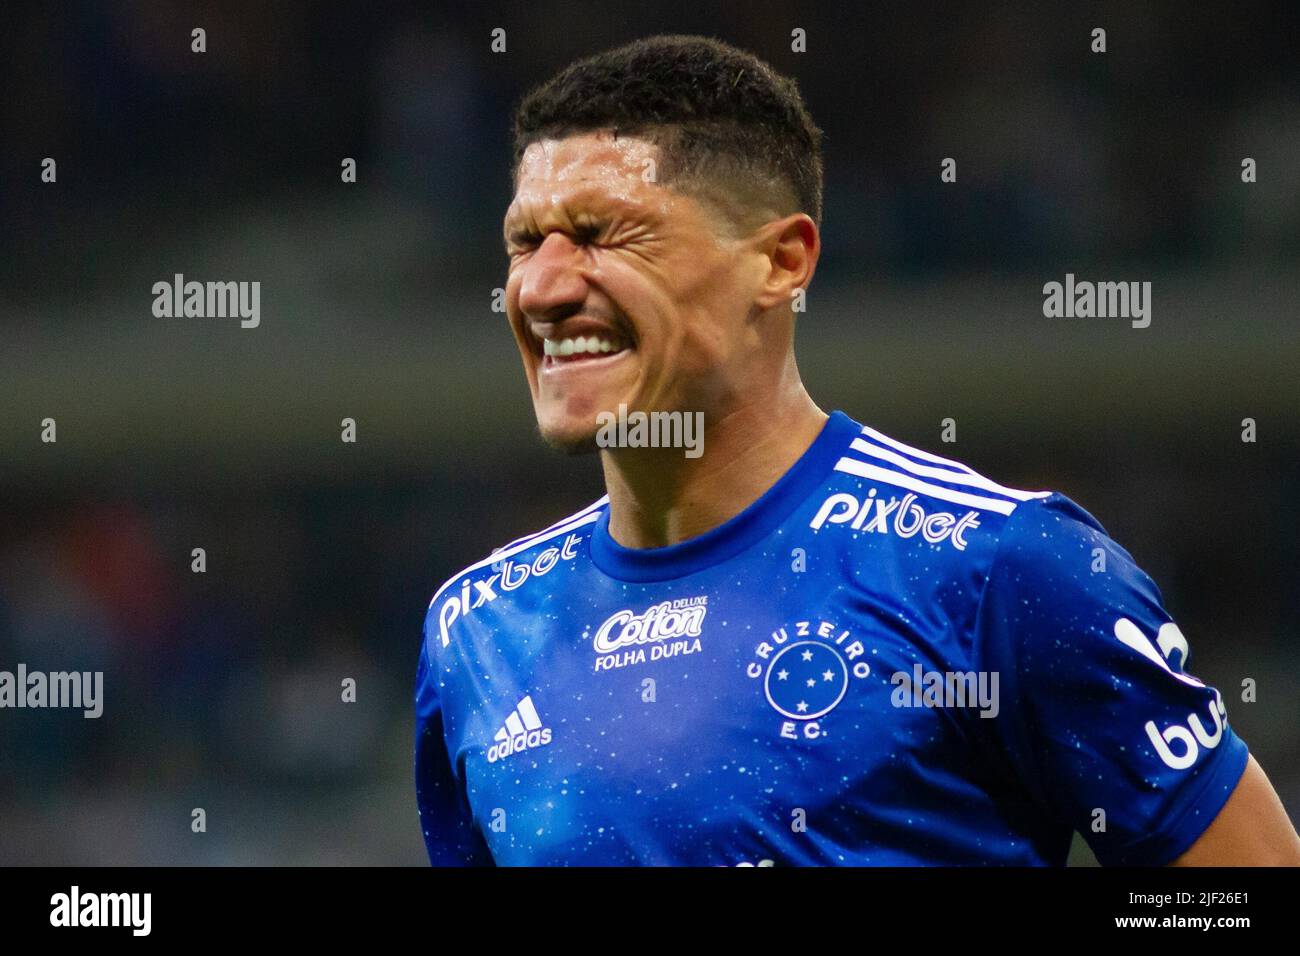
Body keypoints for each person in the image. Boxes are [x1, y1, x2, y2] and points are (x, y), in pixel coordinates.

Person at [415, 34, 1300, 865]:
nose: (542, 286)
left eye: (606, 234)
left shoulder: (996, 568)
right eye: (524, 242)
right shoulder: (475, 632)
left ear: (781, 261)